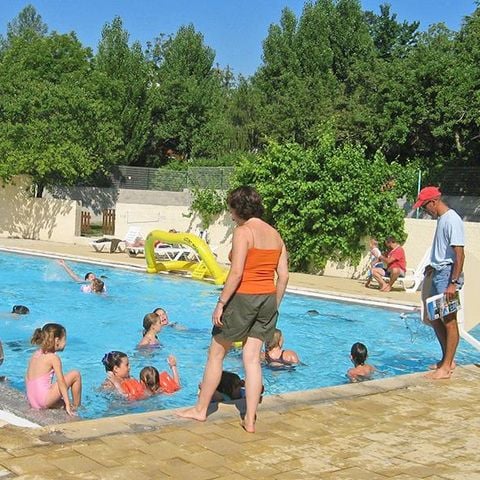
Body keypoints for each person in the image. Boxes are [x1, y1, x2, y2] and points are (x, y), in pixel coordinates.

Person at [177, 186, 289, 433]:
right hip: (268, 299)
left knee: (216, 353)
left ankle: (200, 410)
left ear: (240, 208)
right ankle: (250, 419)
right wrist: (274, 305)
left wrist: (220, 303)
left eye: (231, 209)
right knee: (252, 359)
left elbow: (236, 272)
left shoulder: (243, 232)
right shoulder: (275, 235)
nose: (230, 214)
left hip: (243, 298)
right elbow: (283, 276)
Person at [414, 186, 465, 380]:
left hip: (447, 275)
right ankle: (446, 360)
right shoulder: (442, 219)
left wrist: (453, 282)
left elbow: (459, 254)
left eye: (425, 206)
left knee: (449, 320)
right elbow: (444, 250)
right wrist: (432, 265)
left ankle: (446, 367)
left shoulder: (452, 219)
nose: (425, 210)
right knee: (434, 317)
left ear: (433, 202)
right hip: (438, 272)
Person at [25, 323, 82, 415]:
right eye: (64, 339)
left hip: (33, 400)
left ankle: (66, 405)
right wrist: (68, 404)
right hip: (43, 400)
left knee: (61, 403)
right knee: (75, 374)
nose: (65, 343)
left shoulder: (35, 354)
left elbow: (27, 377)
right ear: (57, 340)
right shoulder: (53, 358)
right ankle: (77, 407)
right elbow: (61, 382)